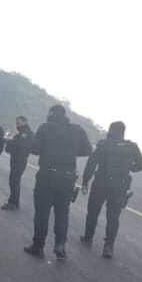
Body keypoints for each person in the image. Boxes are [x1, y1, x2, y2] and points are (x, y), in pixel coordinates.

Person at [24, 105, 92, 259]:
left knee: (42, 214)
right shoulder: (77, 129)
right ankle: (60, 246)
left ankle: (38, 246)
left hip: (47, 177)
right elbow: (87, 150)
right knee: (62, 213)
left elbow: (34, 149)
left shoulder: (45, 128)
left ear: (51, 114)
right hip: (67, 178)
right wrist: (72, 152)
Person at [79, 121, 142, 258]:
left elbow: (91, 164)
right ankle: (108, 247)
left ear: (110, 130)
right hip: (120, 186)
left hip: (100, 184)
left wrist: (85, 182)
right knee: (113, 217)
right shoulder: (132, 147)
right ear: (123, 132)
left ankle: (88, 237)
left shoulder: (103, 144)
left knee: (93, 212)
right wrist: (131, 168)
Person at [1, 116, 33, 211]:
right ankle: (14, 202)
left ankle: (13, 203)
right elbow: (14, 145)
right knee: (14, 181)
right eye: (16, 123)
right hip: (16, 159)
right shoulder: (20, 134)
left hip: (20, 160)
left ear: (25, 122)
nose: (17, 125)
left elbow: (20, 145)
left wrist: (9, 142)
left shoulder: (27, 134)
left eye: (19, 123)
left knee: (14, 181)